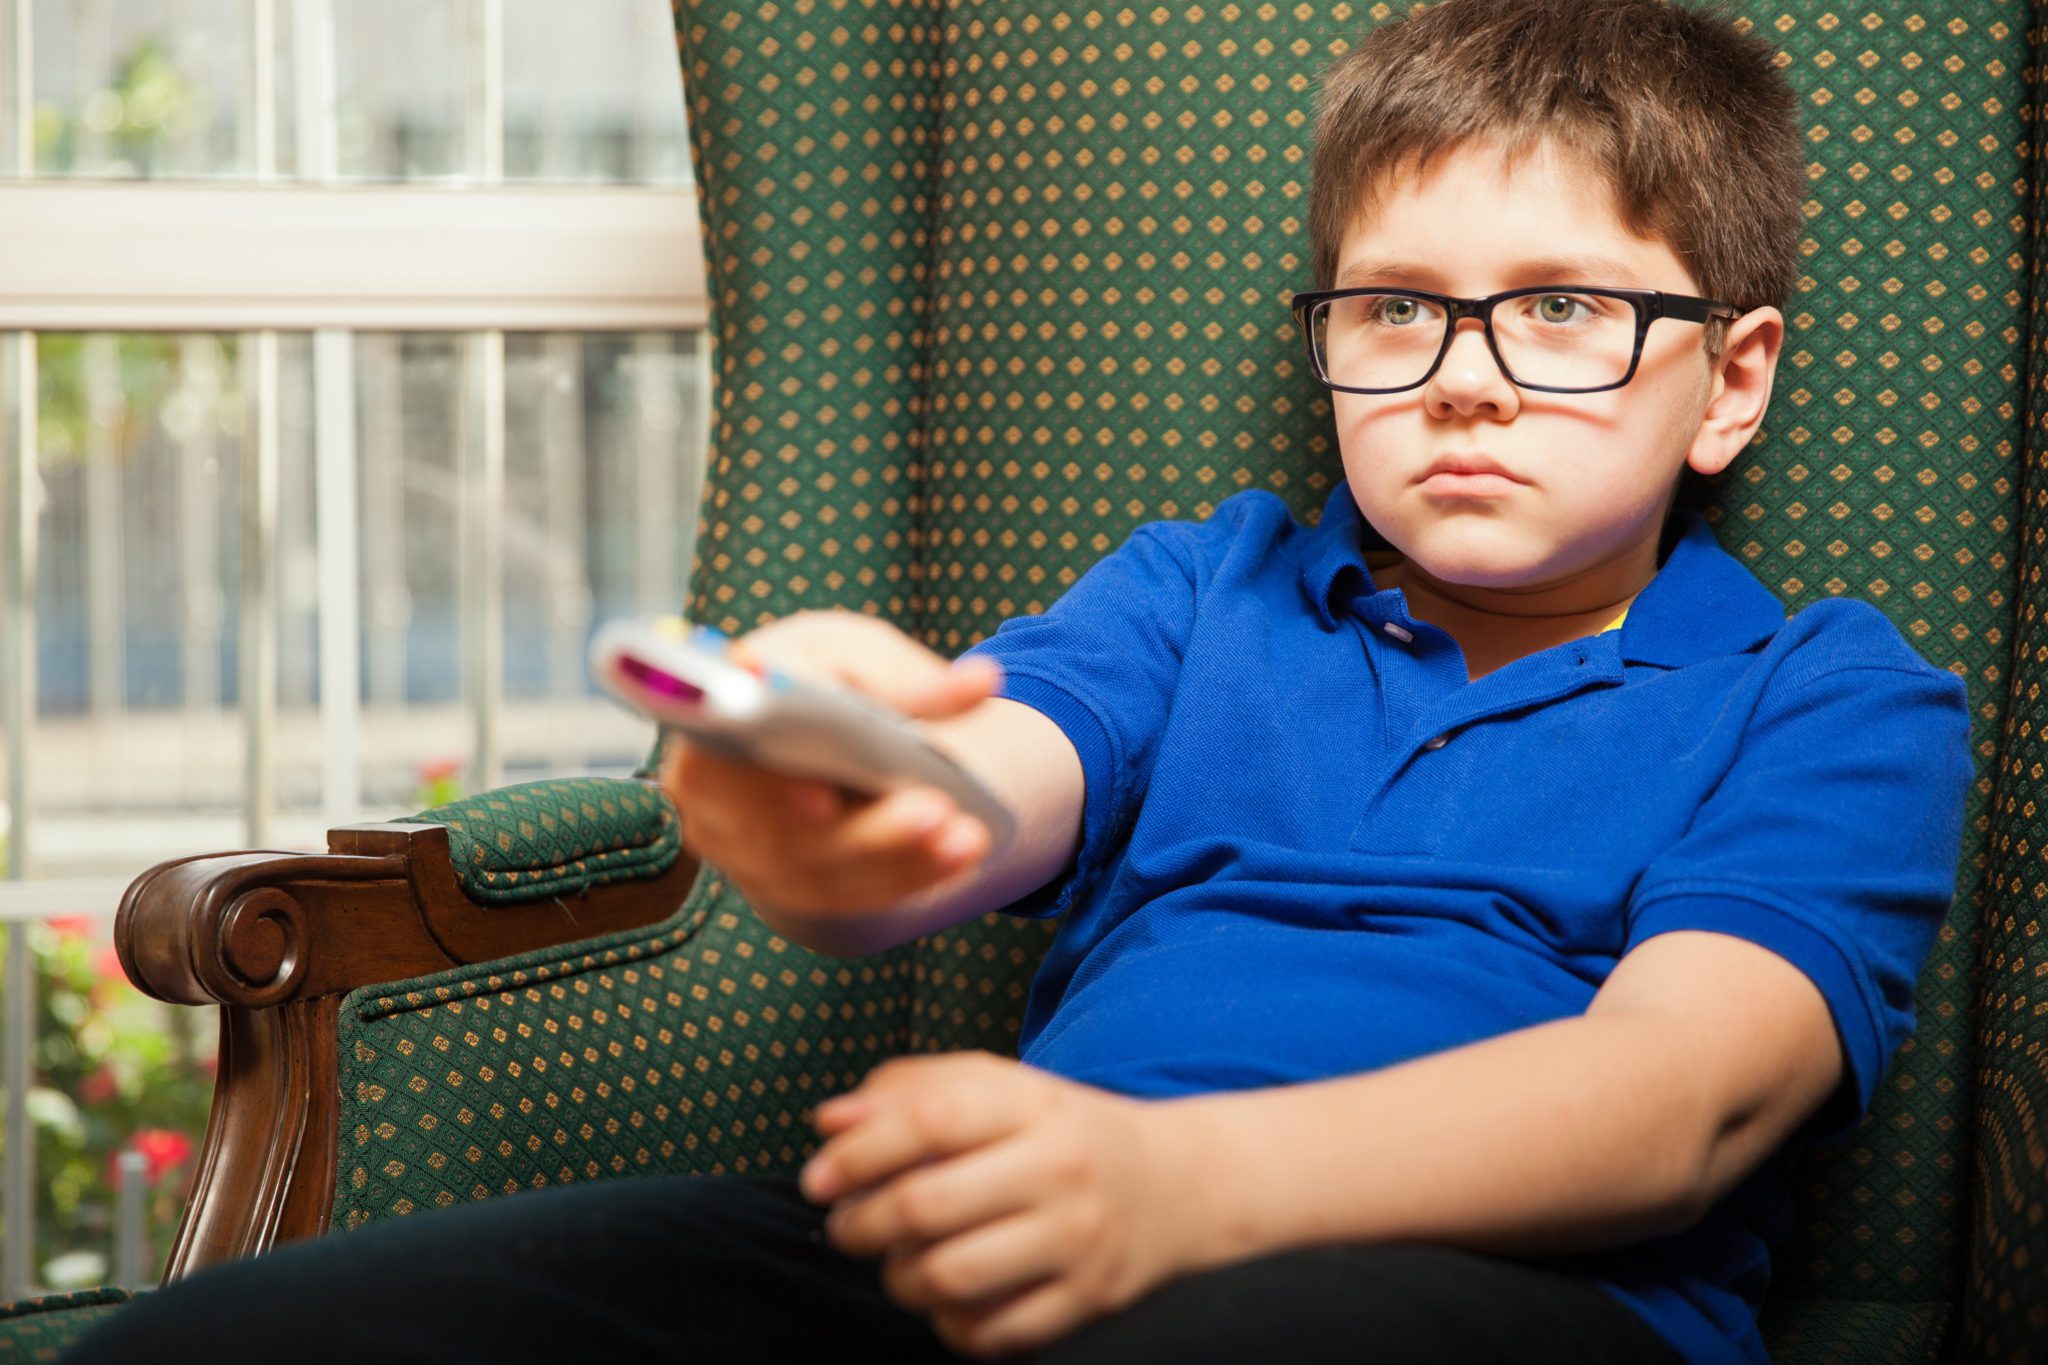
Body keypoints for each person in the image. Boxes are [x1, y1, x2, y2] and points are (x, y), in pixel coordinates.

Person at [65, 1, 1971, 1363]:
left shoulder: (1833, 696)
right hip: (1017, 1229)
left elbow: (1675, 1106)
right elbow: (987, 782)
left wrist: (1175, 1185)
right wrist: (855, 787)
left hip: (1501, 1297)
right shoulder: (1203, 587)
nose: (1460, 373)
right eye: (1393, 305)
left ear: (1730, 378)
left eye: (1562, 308)